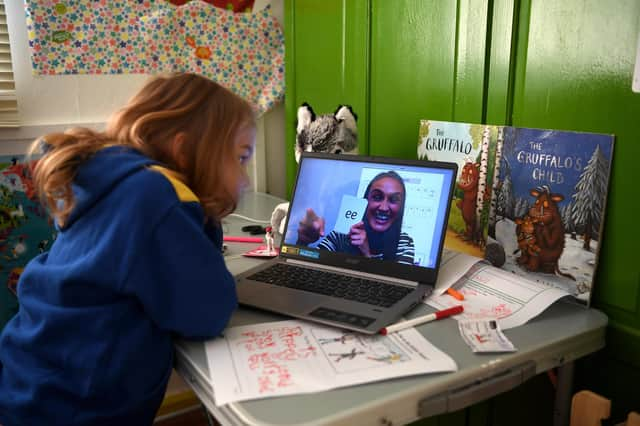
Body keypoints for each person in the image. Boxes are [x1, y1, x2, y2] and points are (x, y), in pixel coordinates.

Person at [0, 73, 256, 425]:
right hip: (78, 408)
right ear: (184, 150)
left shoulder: (112, 182)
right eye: (242, 158)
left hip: (34, 381)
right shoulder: (155, 197)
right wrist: (206, 219)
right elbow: (208, 311)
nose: (245, 180)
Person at [296, 171, 415, 264]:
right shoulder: (343, 233)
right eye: (377, 197)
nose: (383, 208)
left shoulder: (404, 243)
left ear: (401, 207)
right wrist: (303, 242)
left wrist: (366, 254)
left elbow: (391, 291)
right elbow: (306, 268)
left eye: (394, 200)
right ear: (366, 200)